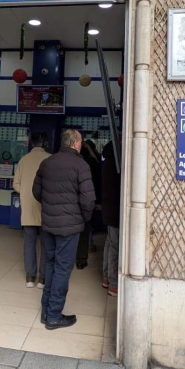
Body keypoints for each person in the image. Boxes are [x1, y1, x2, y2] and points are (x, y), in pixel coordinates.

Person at [33, 129, 95, 330]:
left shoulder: (47, 162)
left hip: (48, 225)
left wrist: (51, 207)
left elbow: (36, 192)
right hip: (69, 228)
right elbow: (89, 199)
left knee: (50, 264)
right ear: (76, 143)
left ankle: (45, 311)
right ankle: (54, 315)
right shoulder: (81, 165)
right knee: (62, 269)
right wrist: (83, 219)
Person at [12, 132, 51, 288]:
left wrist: (26, 193)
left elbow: (16, 184)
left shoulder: (24, 159)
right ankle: (43, 279)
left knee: (29, 243)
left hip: (28, 207)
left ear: (32, 143)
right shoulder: (50, 158)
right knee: (47, 244)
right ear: (45, 143)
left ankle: (30, 277)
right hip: (46, 207)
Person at [75, 139, 102, 269]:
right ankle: (81, 259)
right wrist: (97, 201)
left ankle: (70, 256)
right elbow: (97, 182)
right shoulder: (92, 164)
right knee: (86, 229)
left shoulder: (74, 163)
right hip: (88, 200)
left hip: (73, 202)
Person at [101, 139, 121, 297]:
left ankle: (107, 277)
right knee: (114, 245)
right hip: (116, 208)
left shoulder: (107, 161)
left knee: (109, 242)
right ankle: (113, 284)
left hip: (108, 207)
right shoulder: (118, 163)